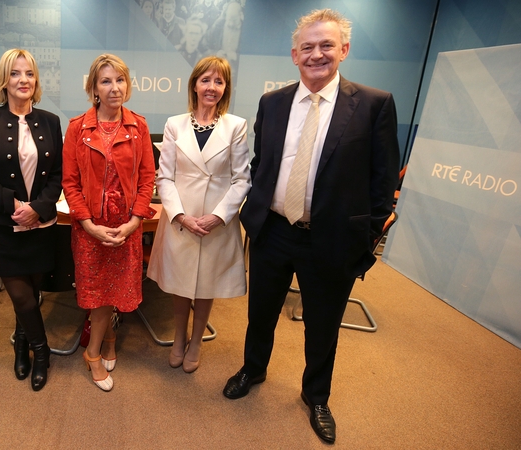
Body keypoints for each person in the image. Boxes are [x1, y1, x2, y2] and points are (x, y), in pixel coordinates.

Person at [222, 9, 400, 444]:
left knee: (323, 325)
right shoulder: (273, 102)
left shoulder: (374, 104)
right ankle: (253, 369)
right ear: (294, 54)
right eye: (308, 47)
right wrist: (255, 214)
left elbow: (383, 180)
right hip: (274, 231)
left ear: (344, 50)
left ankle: (316, 396)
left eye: (326, 45)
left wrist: (367, 239)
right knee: (260, 314)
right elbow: (264, 164)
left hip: (333, 240)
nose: (316, 54)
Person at [0, 49, 62, 391]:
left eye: (30, 74)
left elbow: (57, 176)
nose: (23, 80)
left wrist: (38, 206)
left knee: (33, 292)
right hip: (2, 225)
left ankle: (21, 344)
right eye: (16, 73)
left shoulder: (50, 120)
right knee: (21, 296)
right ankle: (42, 351)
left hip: (39, 225)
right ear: (4, 80)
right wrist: (14, 204)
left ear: (36, 81)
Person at [148, 56, 250, 373]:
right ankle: (179, 337)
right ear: (194, 84)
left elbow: (241, 179)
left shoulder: (236, 125)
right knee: (180, 282)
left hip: (215, 221)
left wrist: (218, 216)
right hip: (181, 219)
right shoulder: (174, 123)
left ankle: (196, 341)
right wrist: (180, 215)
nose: (212, 87)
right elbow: (163, 177)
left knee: (206, 283)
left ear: (226, 88)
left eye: (219, 82)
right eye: (206, 80)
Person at [62, 54, 156, 392]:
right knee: (97, 295)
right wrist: (87, 223)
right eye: (105, 81)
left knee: (116, 292)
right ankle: (92, 353)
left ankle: (109, 336)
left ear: (127, 85)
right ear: (93, 89)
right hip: (91, 229)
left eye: (119, 80)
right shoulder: (77, 128)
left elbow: (148, 180)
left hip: (126, 227)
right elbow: (70, 183)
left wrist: (134, 223)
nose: (114, 88)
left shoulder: (138, 126)